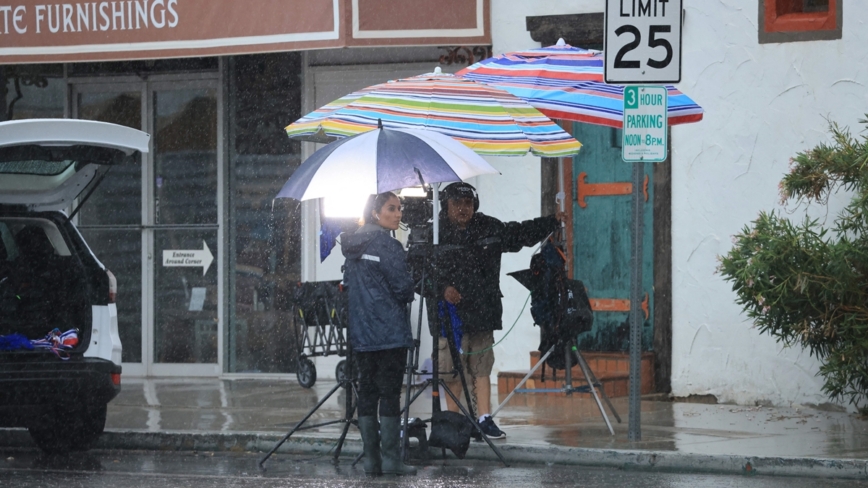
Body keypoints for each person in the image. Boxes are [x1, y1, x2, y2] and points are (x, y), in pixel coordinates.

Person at [433, 182, 564, 439]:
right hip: (450, 318)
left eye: (468, 203)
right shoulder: (435, 234)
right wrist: (442, 289)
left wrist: (551, 221)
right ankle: (454, 422)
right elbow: (418, 274)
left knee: (481, 369)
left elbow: (519, 234)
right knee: (453, 371)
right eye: (456, 203)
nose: (463, 208)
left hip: (483, 313)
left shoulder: (488, 227)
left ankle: (484, 419)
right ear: (444, 206)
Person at [341, 191, 416, 476]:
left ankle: (371, 460)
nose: (398, 214)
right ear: (376, 213)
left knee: (368, 393)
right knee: (389, 394)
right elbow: (404, 290)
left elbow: (350, 286)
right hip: (389, 333)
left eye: (400, 208)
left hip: (362, 333)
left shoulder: (352, 245)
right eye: (391, 208)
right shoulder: (388, 245)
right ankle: (392, 460)